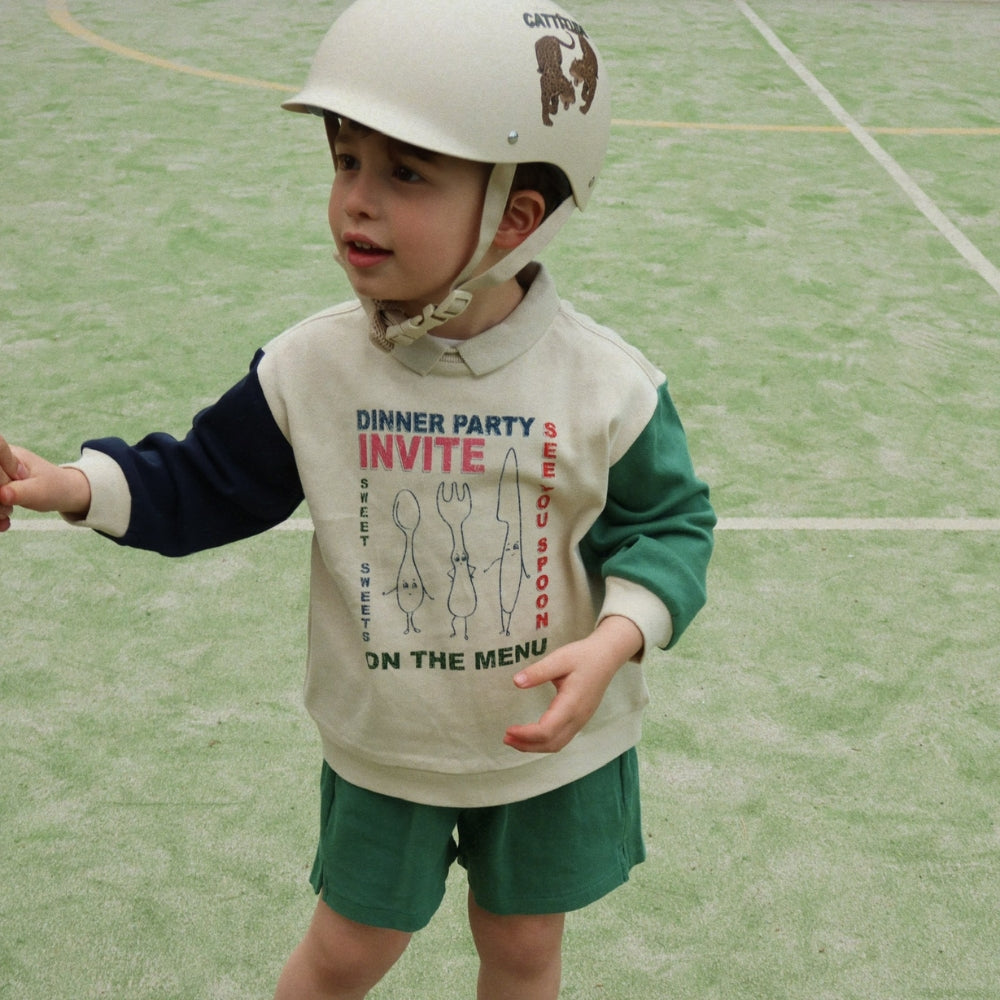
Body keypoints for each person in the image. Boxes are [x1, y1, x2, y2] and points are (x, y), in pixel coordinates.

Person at [0, 0, 715, 996]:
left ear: (515, 217)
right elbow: (205, 480)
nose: (355, 203)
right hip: (389, 746)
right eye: (346, 162)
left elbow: (670, 524)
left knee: (521, 951)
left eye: (405, 173)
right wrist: (71, 483)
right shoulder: (312, 369)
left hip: (548, 749)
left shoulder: (608, 386)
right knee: (345, 954)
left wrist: (617, 637)